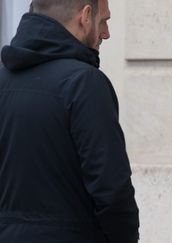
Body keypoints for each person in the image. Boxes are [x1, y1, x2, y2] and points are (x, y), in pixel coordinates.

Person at [0, 0, 139, 242]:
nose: (106, 33)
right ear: (86, 16)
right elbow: (112, 192)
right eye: (104, 21)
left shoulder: (3, 81)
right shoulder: (85, 84)